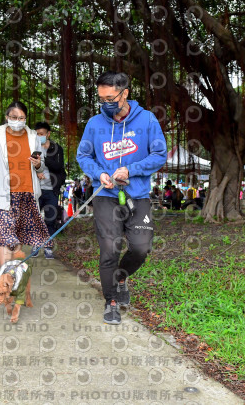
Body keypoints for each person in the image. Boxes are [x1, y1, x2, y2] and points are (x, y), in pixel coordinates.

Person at [76, 71, 167, 325]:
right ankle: (111, 301)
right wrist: (99, 173)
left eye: (110, 97)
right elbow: (83, 156)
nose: (106, 103)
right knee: (109, 249)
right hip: (105, 196)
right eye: (101, 98)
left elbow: (160, 154)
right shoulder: (94, 124)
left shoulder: (147, 120)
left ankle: (121, 277)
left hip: (137, 196)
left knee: (141, 247)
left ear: (124, 93)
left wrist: (131, 170)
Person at [0, 101, 52, 267]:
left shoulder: (33, 136)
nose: (18, 121)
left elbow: (42, 164)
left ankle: (13, 277)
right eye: (14, 117)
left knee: (18, 240)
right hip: (2, 194)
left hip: (27, 194)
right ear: (6, 117)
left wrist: (38, 164)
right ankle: (6, 279)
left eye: (21, 117)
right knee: (5, 239)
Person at [33, 121, 66, 259]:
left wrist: (43, 160)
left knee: (50, 219)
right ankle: (35, 245)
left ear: (48, 134)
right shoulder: (33, 147)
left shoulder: (56, 148)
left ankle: (48, 247)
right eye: (37, 134)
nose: (39, 136)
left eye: (42, 134)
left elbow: (58, 167)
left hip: (51, 189)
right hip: (36, 189)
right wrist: (37, 171)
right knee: (34, 218)